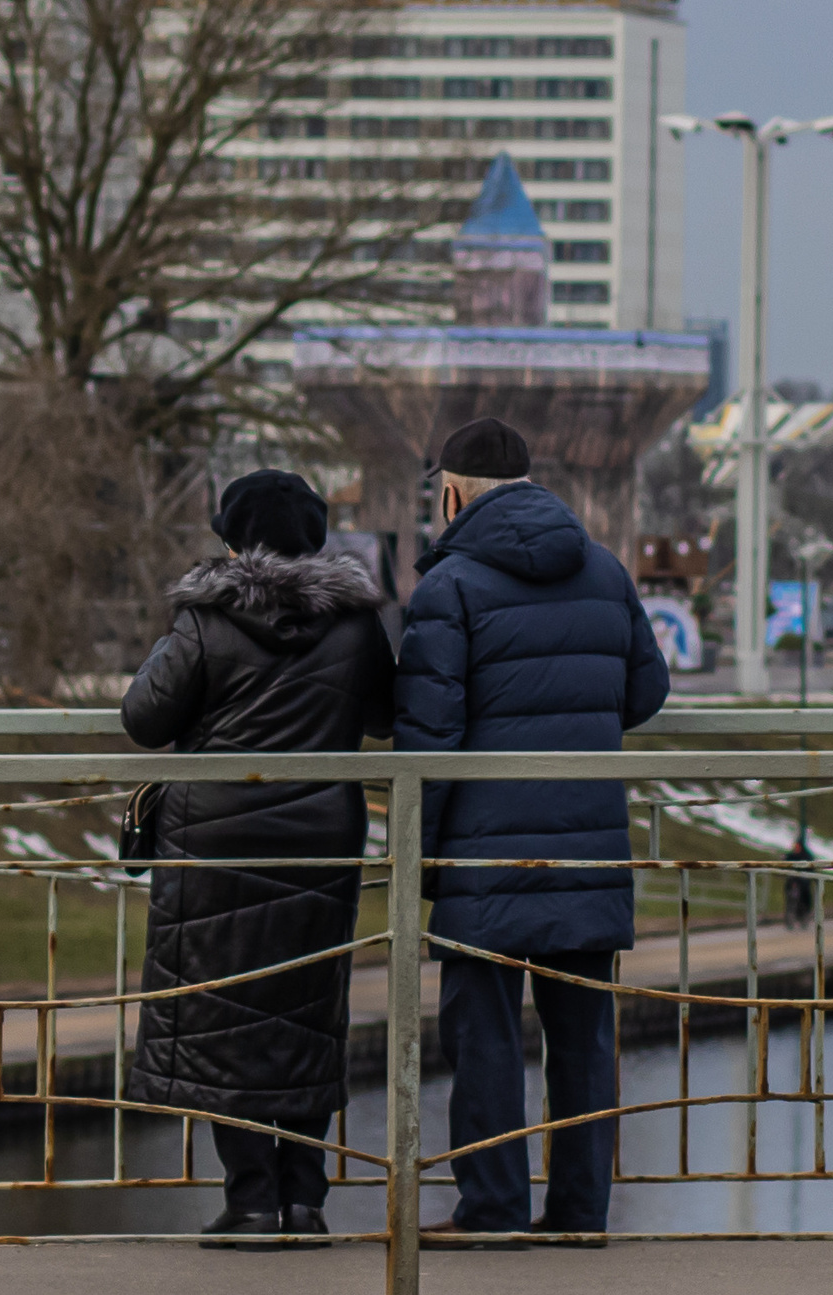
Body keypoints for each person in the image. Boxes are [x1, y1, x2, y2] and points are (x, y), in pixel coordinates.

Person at [395, 419, 669, 1249]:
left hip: (486, 853)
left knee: (482, 1039)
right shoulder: (605, 568)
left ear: (452, 493)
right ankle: (582, 1213)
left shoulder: (451, 586)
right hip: (588, 847)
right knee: (583, 1039)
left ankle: (494, 1209)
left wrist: (424, 862)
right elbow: (646, 691)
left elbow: (427, 741)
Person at [120, 469, 396, 1252]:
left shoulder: (207, 618)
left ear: (232, 538)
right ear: (315, 538)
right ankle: (305, 1202)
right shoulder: (355, 624)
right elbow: (381, 713)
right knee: (307, 1012)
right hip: (320, 843)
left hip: (214, 846)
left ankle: (250, 1201)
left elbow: (145, 718)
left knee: (221, 1013)